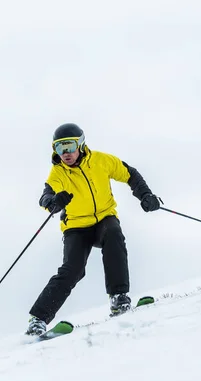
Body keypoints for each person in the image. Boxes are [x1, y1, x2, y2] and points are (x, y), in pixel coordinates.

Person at [26, 123, 161, 336]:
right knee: (73, 270)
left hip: (104, 219)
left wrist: (145, 195)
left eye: (68, 146)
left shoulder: (101, 161)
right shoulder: (58, 173)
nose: (65, 153)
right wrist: (54, 202)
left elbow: (130, 174)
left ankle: (118, 298)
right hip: (77, 227)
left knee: (114, 235)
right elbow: (45, 197)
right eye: (59, 148)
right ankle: (38, 320)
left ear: (81, 144)